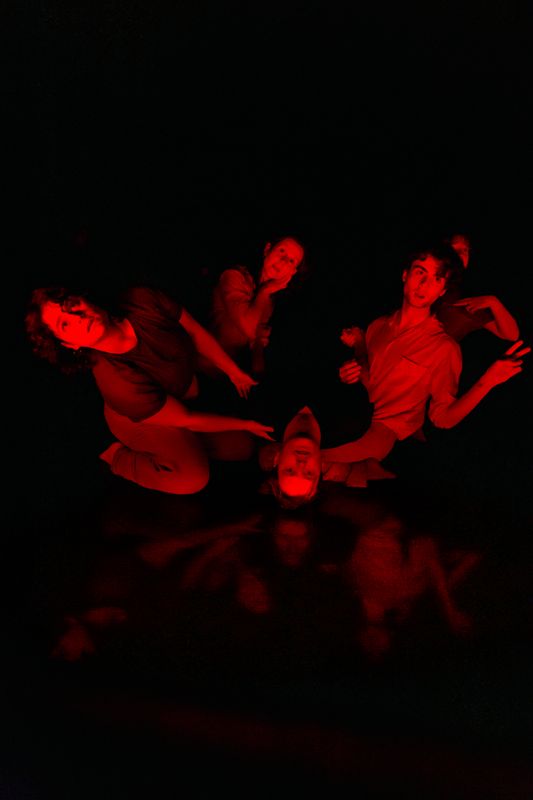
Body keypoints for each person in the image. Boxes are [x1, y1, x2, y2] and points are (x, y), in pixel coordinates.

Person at [26, 286, 274, 495]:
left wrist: (233, 372)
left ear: (83, 298)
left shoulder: (140, 300)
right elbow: (187, 418)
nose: (78, 317)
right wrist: (245, 424)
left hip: (176, 398)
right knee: (193, 478)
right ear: (70, 344)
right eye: (65, 324)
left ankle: (186, 445)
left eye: (71, 305)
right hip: (138, 419)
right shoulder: (116, 382)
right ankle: (116, 457)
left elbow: (193, 332)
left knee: (243, 448)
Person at [330, 244, 529, 466]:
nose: (425, 284)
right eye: (420, 273)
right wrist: (349, 371)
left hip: (379, 436)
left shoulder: (446, 345)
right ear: (405, 275)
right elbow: (367, 374)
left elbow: (443, 418)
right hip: (348, 418)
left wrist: (488, 381)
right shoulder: (377, 326)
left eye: (437, 279)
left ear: (443, 290)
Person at [259, 407, 394, 508]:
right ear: (320, 467)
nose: (301, 463)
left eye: (290, 470)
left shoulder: (263, 416)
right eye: (309, 473)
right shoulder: (352, 423)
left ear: (277, 460)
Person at [209, 236, 305, 375]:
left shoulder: (274, 300)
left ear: (293, 272)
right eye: (282, 251)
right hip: (203, 366)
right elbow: (249, 327)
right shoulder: (234, 276)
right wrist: (266, 290)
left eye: (291, 261)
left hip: (230, 374)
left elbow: (257, 345)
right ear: (267, 249)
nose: (283, 261)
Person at [435, 233, 519, 342]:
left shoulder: (466, 297)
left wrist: (493, 302)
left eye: (465, 250)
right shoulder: (425, 280)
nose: (461, 254)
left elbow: (512, 335)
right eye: (455, 249)